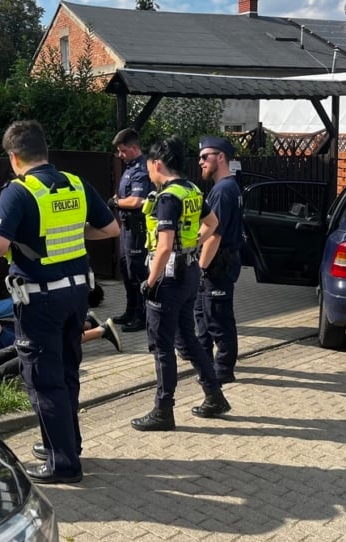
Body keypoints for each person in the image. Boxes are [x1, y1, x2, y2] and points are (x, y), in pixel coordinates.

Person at [0, 120, 119, 484]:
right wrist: (72, 232)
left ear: (14, 157)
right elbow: (111, 229)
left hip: (40, 300)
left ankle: (63, 464)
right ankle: (66, 444)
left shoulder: (19, 191)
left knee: (44, 380)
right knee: (68, 371)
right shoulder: (76, 183)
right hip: (77, 295)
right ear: (45, 151)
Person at [130, 136, 231, 432]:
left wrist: (150, 282)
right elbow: (212, 224)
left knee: (162, 346)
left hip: (168, 279)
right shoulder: (192, 190)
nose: (147, 171)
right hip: (189, 273)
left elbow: (163, 248)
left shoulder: (167, 198)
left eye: (148, 165)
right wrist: (192, 245)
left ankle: (163, 410)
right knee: (188, 339)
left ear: (157, 164)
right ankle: (214, 396)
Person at [194, 137, 244, 384]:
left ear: (221, 157)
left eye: (206, 156)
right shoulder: (225, 188)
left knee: (218, 319)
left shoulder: (224, 191)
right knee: (204, 317)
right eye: (200, 157)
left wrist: (200, 268)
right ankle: (206, 365)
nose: (201, 161)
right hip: (218, 263)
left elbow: (215, 235)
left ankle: (222, 370)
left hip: (217, 265)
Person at [108, 128, 152, 333]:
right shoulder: (130, 167)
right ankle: (130, 310)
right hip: (126, 228)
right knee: (126, 270)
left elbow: (136, 201)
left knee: (137, 272)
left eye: (123, 150)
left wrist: (116, 202)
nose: (120, 155)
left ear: (134, 148)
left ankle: (142, 316)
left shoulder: (141, 169)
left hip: (137, 229)